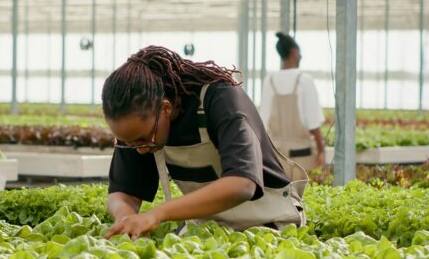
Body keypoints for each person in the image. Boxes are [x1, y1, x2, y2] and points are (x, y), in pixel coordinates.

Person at [102, 46, 307, 240]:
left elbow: (242, 184)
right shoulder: (139, 124)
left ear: (165, 108)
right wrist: (125, 217)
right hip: (208, 229)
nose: (141, 150)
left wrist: (157, 214)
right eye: (129, 143)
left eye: (143, 140)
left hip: (269, 224)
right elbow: (123, 192)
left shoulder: (220, 99)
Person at [259, 32, 326, 172]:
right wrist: (321, 151)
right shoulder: (304, 80)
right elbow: (313, 124)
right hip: (302, 155)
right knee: (302, 190)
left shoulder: (269, 81)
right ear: (294, 52)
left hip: (276, 156)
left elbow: (263, 123)